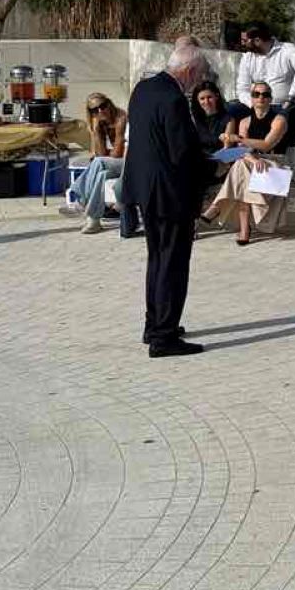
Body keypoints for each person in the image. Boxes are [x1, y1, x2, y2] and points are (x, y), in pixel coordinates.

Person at [124, 42, 213, 356]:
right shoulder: (174, 98)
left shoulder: (143, 89)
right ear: (188, 70)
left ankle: (155, 325)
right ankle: (163, 337)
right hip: (170, 193)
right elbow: (181, 151)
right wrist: (214, 166)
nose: (199, 82)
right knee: (172, 263)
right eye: (199, 75)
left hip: (146, 189)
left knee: (157, 259)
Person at [203, 81, 291, 245]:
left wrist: (239, 139)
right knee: (242, 168)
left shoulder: (279, 120)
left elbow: (266, 145)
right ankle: (243, 228)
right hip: (251, 161)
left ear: (270, 98)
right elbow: (243, 150)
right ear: (251, 98)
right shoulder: (245, 121)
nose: (260, 98)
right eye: (256, 94)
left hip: (274, 162)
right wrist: (252, 158)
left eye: (265, 94)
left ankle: (219, 208)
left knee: (241, 168)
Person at [232, 24, 295, 149]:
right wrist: (254, 105)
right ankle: (232, 153)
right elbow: (242, 88)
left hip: (287, 104)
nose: (242, 43)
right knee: (231, 110)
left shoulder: (287, 49)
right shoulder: (247, 57)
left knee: (286, 115)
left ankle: (279, 152)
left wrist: (290, 98)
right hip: (258, 104)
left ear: (257, 40)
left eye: (245, 40)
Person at [64, 94, 128, 234]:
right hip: (116, 162)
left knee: (99, 163)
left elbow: (117, 154)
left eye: (102, 106)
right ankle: (94, 220)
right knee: (101, 174)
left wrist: (105, 155)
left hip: (130, 162)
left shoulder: (121, 118)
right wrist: (96, 131)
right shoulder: (100, 122)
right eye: (94, 110)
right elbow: (100, 153)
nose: (100, 111)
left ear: (109, 104)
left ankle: (82, 200)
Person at [190, 80, 232, 203]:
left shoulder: (228, 119)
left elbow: (227, 147)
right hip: (198, 162)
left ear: (217, 96)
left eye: (209, 97)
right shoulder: (193, 119)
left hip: (217, 162)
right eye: (202, 99)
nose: (206, 102)